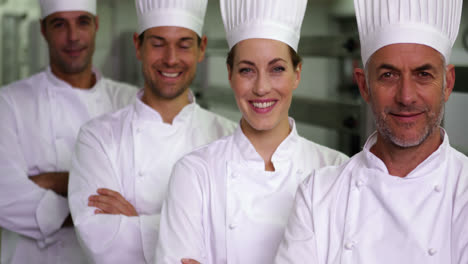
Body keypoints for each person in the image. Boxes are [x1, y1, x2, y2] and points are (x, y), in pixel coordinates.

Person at [274, 0, 468, 263]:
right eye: (389, 75)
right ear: (363, 85)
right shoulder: (318, 194)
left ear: (448, 84)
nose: (406, 96)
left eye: (423, 74)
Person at [155, 0, 348, 263]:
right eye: (247, 70)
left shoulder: (336, 171)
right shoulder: (195, 173)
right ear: (230, 75)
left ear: (297, 73)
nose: (261, 87)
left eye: (277, 69)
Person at [67, 0, 236, 263]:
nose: (170, 59)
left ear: (201, 48)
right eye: (158, 43)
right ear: (138, 46)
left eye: (184, 44)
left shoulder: (229, 138)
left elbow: (236, 237)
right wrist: (197, 225)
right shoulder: (98, 137)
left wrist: (135, 222)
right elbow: (99, 240)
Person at [0, 0, 137, 263]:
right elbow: (5, 196)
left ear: (96, 25)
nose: (73, 37)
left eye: (82, 22)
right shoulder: (9, 103)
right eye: (59, 24)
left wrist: (54, 181)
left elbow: (142, 190)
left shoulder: (128, 101)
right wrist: (102, 208)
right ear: (43, 29)